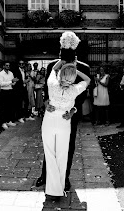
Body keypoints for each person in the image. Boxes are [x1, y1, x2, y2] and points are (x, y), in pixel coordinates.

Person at [36, 31, 91, 192]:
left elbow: (83, 95)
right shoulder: (53, 65)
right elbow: (47, 87)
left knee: (68, 146)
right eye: (62, 56)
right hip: (52, 112)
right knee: (49, 145)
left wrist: (73, 110)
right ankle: (45, 175)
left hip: (69, 115)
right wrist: (46, 102)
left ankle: (64, 178)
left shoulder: (83, 68)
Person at [0, 62, 18, 130]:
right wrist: (11, 81)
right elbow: (1, 84)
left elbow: (13, 83)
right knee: (4, 108)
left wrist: (14, 82)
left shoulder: (11, 73)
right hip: (4, 92)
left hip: (10, 91)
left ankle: (8, 121)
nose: (8, 66)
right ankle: (3, 123)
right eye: (6, 65)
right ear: (3, 66)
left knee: (10, 107)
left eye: (9, 65)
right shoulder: (0, 74)